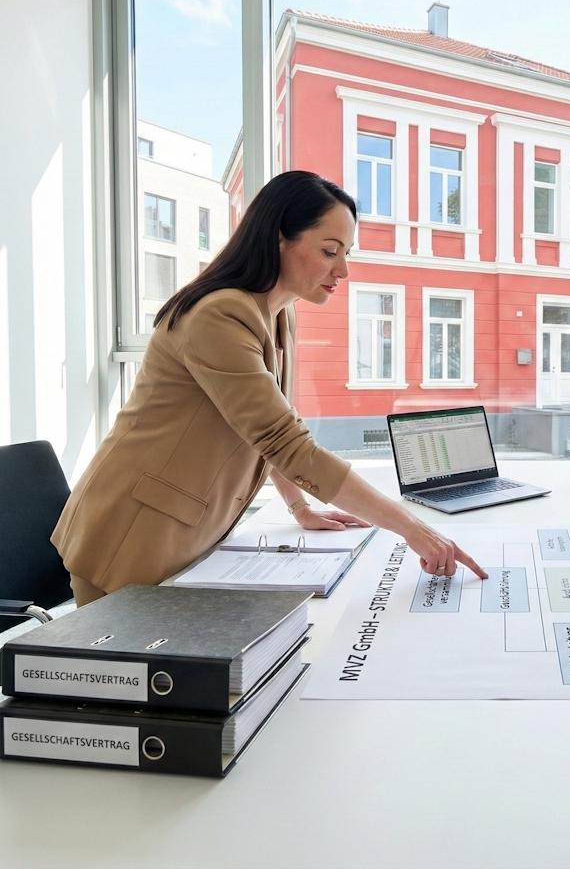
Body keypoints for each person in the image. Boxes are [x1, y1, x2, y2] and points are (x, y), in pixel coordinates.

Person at [52, 171, 487, 605]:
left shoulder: (279, 313)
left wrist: (299, 506)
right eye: (330, 251)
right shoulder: (218, 315)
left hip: (188, 532)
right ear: (280, 238)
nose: (344, 269)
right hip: (132, 533)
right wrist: (414, 528)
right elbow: (285, 443)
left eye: (347, 252)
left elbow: (264, 424)